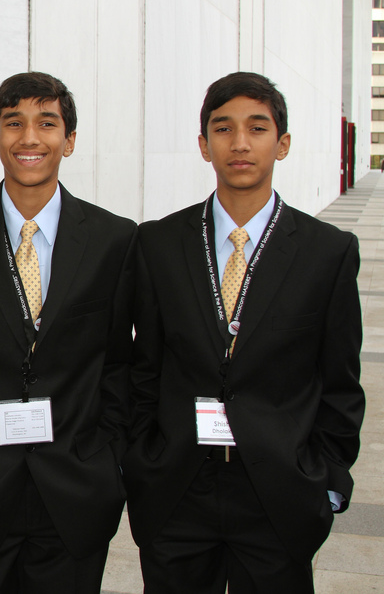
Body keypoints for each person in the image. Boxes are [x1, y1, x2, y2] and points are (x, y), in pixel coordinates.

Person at [124, 71, 365, 593]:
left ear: (282, 144)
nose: (239, 143)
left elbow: (341, 385)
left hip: (277, 494)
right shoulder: (159, 244)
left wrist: (323, 486)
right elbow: (146, 369)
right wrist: (143, 464)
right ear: (203, 144)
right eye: (223, 128)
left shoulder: (328, 252)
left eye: (257, 128)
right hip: (178, 492)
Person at [0, 72, 137, 592]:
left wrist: (111, 467)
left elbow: (121, 367)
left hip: (75, 495)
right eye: (13, 124)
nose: (29, 138)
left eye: (47, 123)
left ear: (70, 140)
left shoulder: (115, 240)